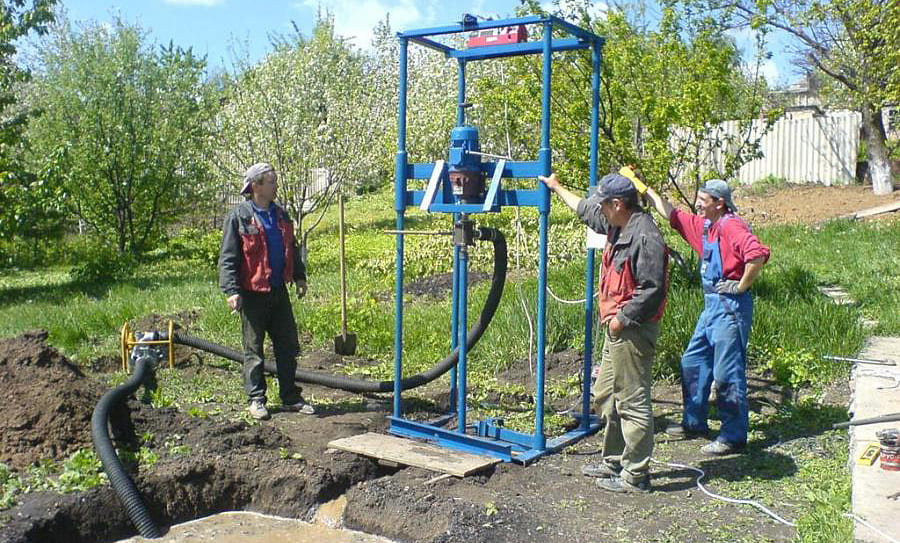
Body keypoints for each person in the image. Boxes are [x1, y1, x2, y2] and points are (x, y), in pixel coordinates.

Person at [539, 172, 668, 493]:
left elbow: (652, 289)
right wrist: (556, 187)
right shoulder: (616, 222)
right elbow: (585, 209)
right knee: (607, 395)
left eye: (604, 204)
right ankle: (613, 460)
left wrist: (621, 319)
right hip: (617, 328)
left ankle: (636, 476)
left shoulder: (644, 237)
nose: (601, 210)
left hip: (632, 330)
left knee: (632, 401)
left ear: (618, 203)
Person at [641, 177, 769, 455]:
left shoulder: (731, 226)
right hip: (711, 307)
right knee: (693, 361)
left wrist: (741, 285)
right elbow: (673, 214)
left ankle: (733, 436)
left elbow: (756, 255)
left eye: (703, 199)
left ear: (719, 203)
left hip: (730, 308)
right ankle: (694, 422)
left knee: (726, 372)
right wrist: (644, 188)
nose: (698, 203)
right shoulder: (706, 226)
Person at [218, 162, 315, 420]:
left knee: (287, 346)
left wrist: (299, 276)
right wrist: (231, 290)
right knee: (254, 350)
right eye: (271, 182)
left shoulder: (281, 215)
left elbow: (291, 249)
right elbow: (228, 258)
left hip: (278, 292)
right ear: (256, 186)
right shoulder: (239, 217)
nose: (276, 186)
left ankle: (290, 397)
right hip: (251, 295)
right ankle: (257, 399)